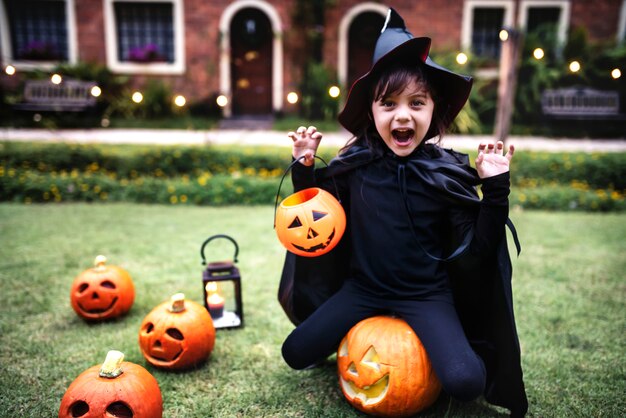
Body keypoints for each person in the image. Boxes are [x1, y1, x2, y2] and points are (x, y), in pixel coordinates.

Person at [278, 8, 527, 417]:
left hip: (426, 296)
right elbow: (315, 218)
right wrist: (305, 169)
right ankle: (356, 330)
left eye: (416, 103)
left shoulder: (444, 175)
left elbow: (480, 249)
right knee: (295, 352)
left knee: (466, 382)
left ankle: (443, 348)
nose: (403, 115)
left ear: (432, 112)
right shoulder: (355, 165)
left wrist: (496, 188)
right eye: (388, 104)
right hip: (363, 290)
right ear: (372, 113)